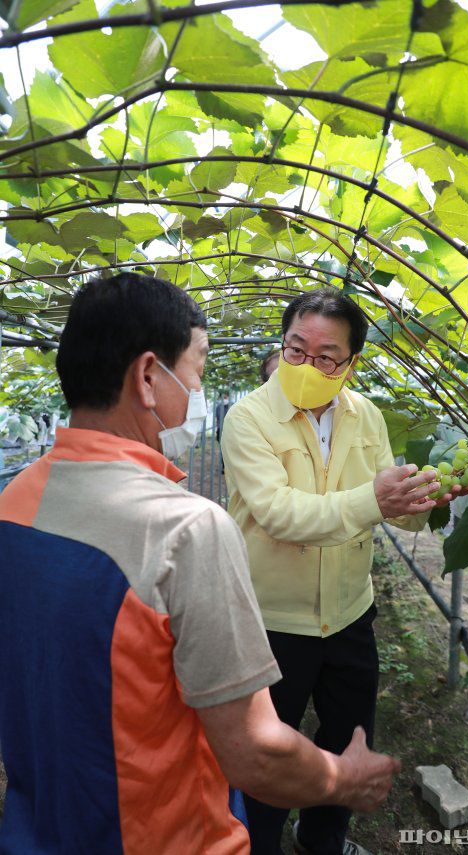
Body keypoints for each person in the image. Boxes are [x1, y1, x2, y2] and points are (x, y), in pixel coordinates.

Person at [0, 273, 401, 855]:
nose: (199, 387)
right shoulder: (184, 530)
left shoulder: (13, 502)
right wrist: (346, 779)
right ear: (146, 376)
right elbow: (254, 751)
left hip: (44, 828)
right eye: (199, 366)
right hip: (164, 836)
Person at [222, 288, 467, 855]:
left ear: (351, 362)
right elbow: (279, 514)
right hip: (272, 622)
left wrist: (427, 499)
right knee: (272, 749)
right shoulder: (249, 417)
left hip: (351, 613)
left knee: (349, 737)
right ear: (282, 346)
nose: (309, 365)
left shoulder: (366, 416)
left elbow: (393, 508)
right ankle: (260, 843)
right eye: (296, 349)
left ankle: (323, 838)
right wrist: (375, 501)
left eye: (328, 356)